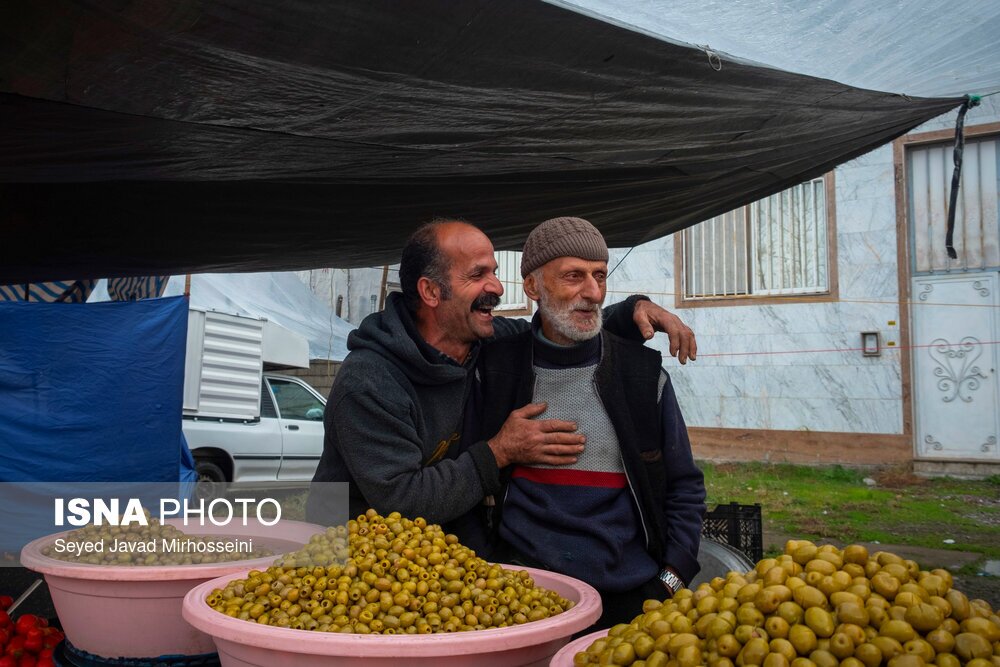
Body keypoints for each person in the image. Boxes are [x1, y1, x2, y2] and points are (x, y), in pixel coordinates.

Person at [305, 219, 696, 527]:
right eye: (478, 275)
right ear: (430, 292)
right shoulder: (369, 380)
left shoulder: (485, 342)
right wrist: (500, 451)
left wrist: (631, 312)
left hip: (426, 556)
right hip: (348, 556)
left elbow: (555, 327)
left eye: (494, 271)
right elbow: (404, 500)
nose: (497, 287)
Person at [474, 216, 705, 630]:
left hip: (632, 602)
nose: (593, 292)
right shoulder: (495, 370)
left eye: (599, 276)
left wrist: (671, 579)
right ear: (532, 287)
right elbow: (469, 487)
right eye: (573, 276)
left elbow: (684, 485)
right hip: (519, 600)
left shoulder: (642, 374)